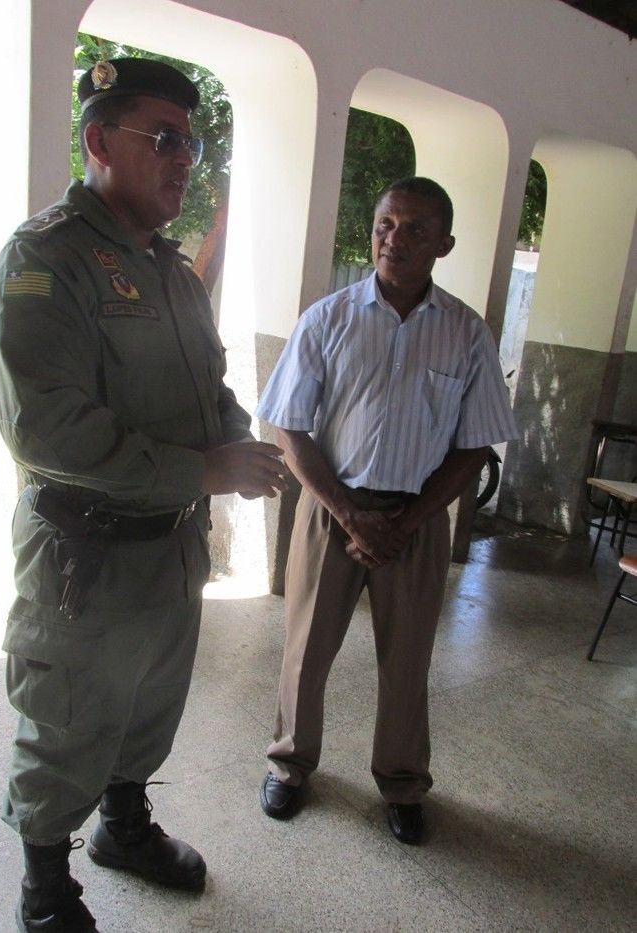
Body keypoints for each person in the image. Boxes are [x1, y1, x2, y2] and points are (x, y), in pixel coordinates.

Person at [0, 58, 286, 932]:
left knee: (148, 704)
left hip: (169, 549)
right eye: (164, 138)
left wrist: (233, 437)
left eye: (190, 142)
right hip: (85, 556)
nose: (184, 157)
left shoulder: (173, 273)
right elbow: (46, 429)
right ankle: (45, 887)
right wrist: (205, 472)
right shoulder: (44, 263)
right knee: (66, 721)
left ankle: (122, 826)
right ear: (98, 140)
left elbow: (208, 386)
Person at [255, 176, 517, 844]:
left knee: (406, 662)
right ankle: (290, 764)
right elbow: (289, 427)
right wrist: (348, 514)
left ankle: (401, 782)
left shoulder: (465, 333)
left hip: (419, 520)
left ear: (444, 244)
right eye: (384, 226)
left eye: (415, 229)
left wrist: (406, 520)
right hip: (328, 510)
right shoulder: (329, 318)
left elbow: (475, 443)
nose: (394, 241)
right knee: (305, 651)